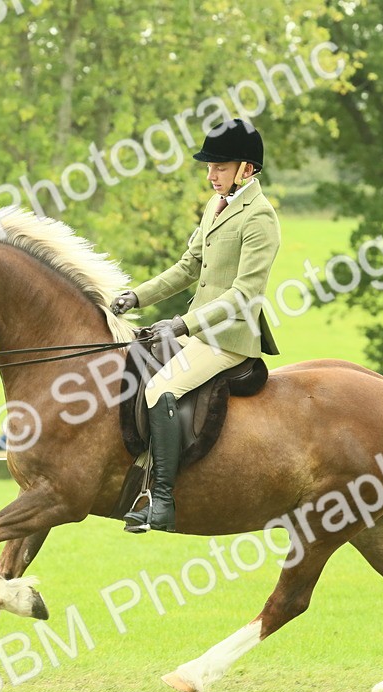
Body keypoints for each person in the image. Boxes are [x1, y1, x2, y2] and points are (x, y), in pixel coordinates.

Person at [111, 118, 279, 533]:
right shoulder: (215, 207)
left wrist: (183, 324)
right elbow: (189, 267)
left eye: (219, 167)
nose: (210, 175)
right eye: (208, 167)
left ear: (247, 168)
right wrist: (138, 295)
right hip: (198, 330)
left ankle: (163, 502)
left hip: (228, 337)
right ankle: (144, 482)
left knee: (159, 388)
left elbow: (244, 294)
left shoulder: (259, 218)